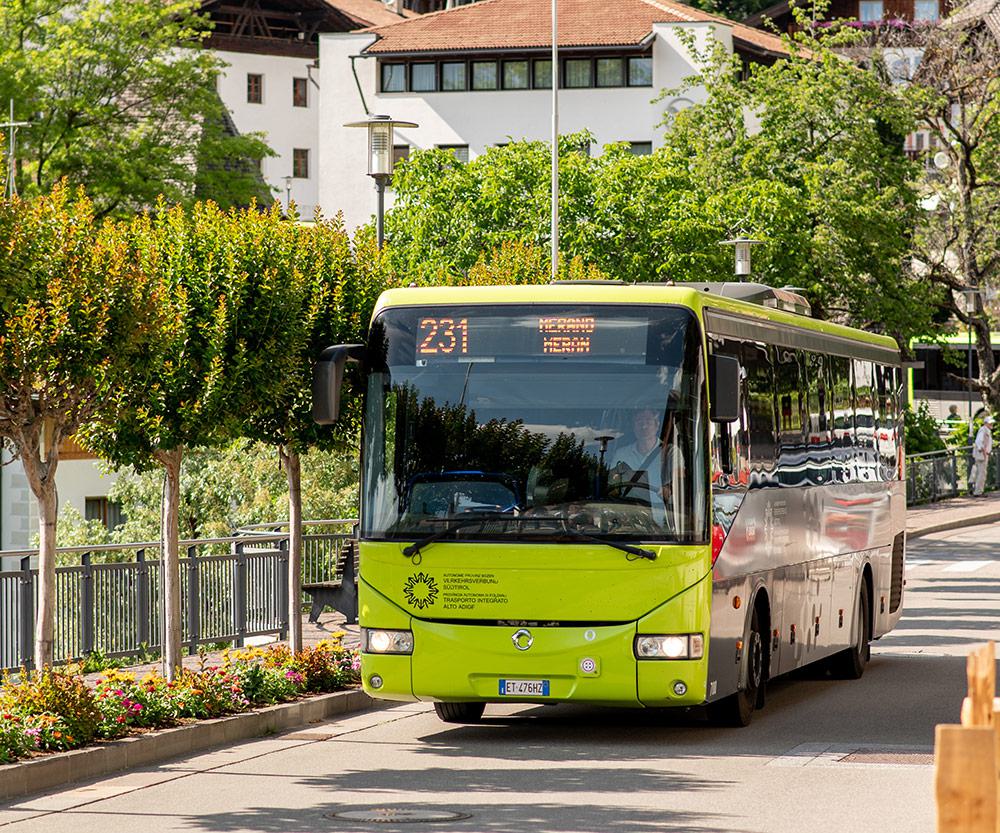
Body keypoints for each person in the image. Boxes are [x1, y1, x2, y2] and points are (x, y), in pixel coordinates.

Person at [609, 406, 685, 527]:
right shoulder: (621, 454)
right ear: (633, 427)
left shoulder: (671, 452)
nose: (644, 426)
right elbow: (611, 485)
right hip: (626, 517)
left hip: (661, 519)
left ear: (657, 425)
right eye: (639, 422)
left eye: (648, 421)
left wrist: (668, 488)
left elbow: (680, 481)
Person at [972, 414, 995, 496]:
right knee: (981, 473)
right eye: (990, 423)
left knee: (980, 473)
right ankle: (978, 492)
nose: (991, 424)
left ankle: (978, 490)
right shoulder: (983, 430)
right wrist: (984, 452)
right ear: (985, 423)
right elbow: (978, 442)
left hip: (983, 455)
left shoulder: (985, 430)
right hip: (982, 455)